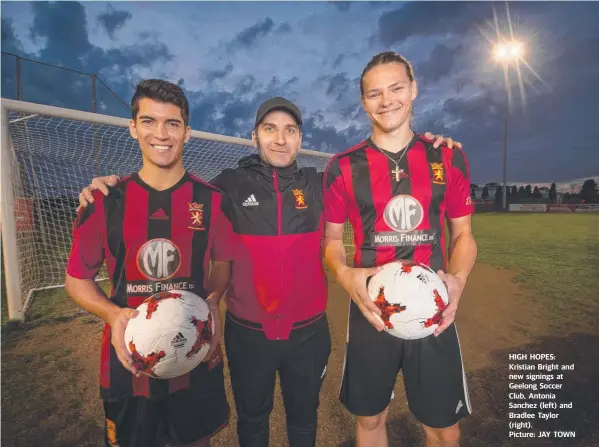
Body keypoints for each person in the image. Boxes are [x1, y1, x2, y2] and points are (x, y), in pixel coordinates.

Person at [77, 97, 462, 446]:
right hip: (248, 334)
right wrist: (108, 186)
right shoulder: (226, 186)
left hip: (308, 333)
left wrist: (425, 143)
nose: (280, 139)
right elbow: (171, 191)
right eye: (270, 129)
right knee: (253, 420)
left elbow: (378, 171)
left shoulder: (319, 182)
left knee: (303, 419)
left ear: (299, 138)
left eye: (290, 130)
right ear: (255, 136)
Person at [322, 51, 478, 447]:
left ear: (414, 90)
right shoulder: (342, 167)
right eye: (374, 93)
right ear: (363, 102)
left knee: (443, 430)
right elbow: (330, 242)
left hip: (434, 311)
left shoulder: (448, 155)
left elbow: (463, 237)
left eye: (396, 88)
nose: (386, 100)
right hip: (373, 311)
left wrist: (457, 279)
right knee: (371, 420)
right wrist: (344, 273)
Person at [65, 79, 231, 447]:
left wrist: (214, 301)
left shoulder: (212, 200)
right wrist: (112, 313)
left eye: (172, 123)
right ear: (133, 127)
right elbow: (77, 279)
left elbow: (222, 262)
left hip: (194, 350)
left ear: (187, 133)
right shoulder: (104, 202)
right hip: (129, 365)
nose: (161, 133)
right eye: (149, 121)